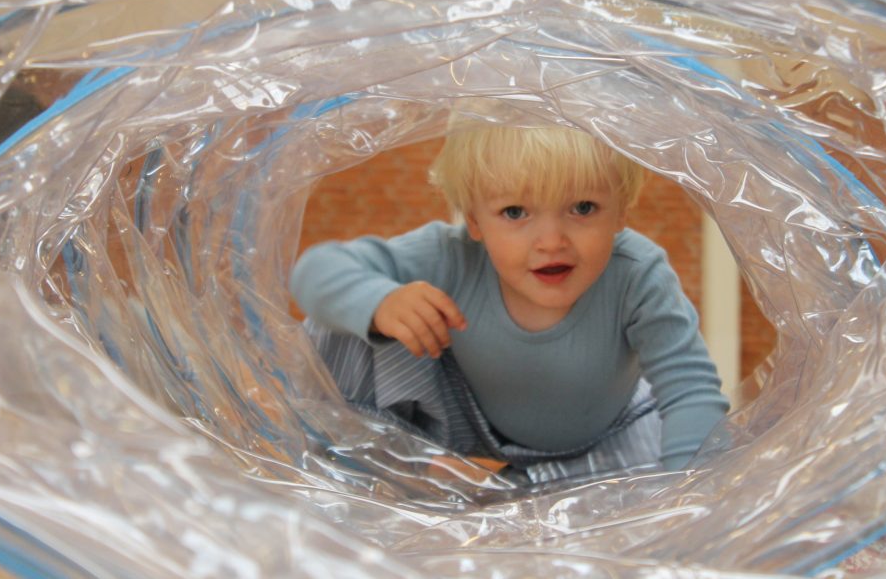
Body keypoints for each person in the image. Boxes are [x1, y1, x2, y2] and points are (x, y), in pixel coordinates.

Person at [290, 113, 729, 483]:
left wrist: (690, 496)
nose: (551, 241)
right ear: (475, 221)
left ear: (621, 212)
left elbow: (690, 390)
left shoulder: (637, 273)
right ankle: (365, 474)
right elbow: (315, 270)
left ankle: (533, 485)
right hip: (467, 420)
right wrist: (381, 302)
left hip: (604, 435)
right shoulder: (452, 254)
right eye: (515, 212)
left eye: (582, 208)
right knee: (350, 318)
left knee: (655, 471)